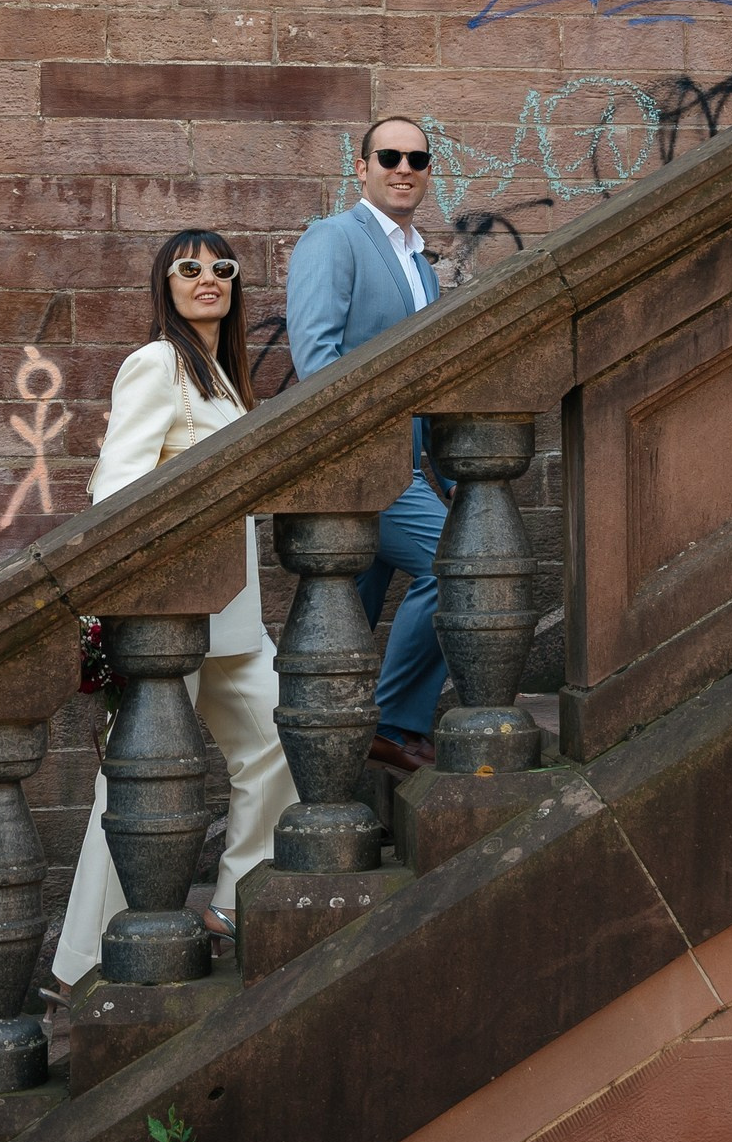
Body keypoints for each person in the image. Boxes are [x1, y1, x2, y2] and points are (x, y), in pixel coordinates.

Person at [50, 229, 296, 986]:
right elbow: (117, 491)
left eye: (220, 267)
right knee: (130, 789)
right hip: (172, 620)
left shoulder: (222, 380)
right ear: (166, 283)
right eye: (187, 268)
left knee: (282, 736)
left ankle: (234, 898)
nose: (207, 278)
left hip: (234, 620)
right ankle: (84, 964)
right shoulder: (157, 363)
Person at [284, 116, 448, 777]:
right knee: (458, 562)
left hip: (406, 464)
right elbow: (317, 356)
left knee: (344, 624)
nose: (403, 167)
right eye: (389, 155)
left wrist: (447, 471)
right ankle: (392, 721)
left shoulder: (421, 266)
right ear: (361, 167)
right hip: (361, 466)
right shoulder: (334, 238)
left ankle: (334, 750)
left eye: (417, 157)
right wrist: (355, 461)